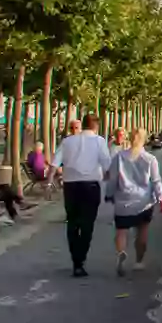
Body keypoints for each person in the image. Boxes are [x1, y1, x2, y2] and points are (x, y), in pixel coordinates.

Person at [53, 112, 113, 277]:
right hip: (91, 185)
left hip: (71, 186)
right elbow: (107, 164)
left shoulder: (67, 141)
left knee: (72, 222)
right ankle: (80, 259)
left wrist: (48, 182)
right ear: (96, 126)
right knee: (88, 223)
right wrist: (109, 179)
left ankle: (75, 259)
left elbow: (54, 162)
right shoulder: (99, 141)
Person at [105, 128, 162, 276]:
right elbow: (156, 181)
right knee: (142, 231)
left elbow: (112, 180)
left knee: (121, 231)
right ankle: (139, 261)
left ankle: (121, 252)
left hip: (123, 200)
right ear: (144, 140)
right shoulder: (150, 159)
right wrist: (161, 199)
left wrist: (109, 194)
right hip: (143, 201)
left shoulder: (119, 157)